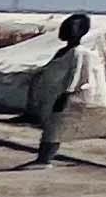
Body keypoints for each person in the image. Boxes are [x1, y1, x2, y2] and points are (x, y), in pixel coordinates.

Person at [26, 13, 94, 167]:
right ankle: (43, 157)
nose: (67, 31)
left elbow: (76, 76)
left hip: (61, 97)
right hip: (51, 95)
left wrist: (66, 95)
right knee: (49, 127)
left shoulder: (79, 53)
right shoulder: (61, 52)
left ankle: (45, 159)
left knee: (54, 129)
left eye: (72, 28)